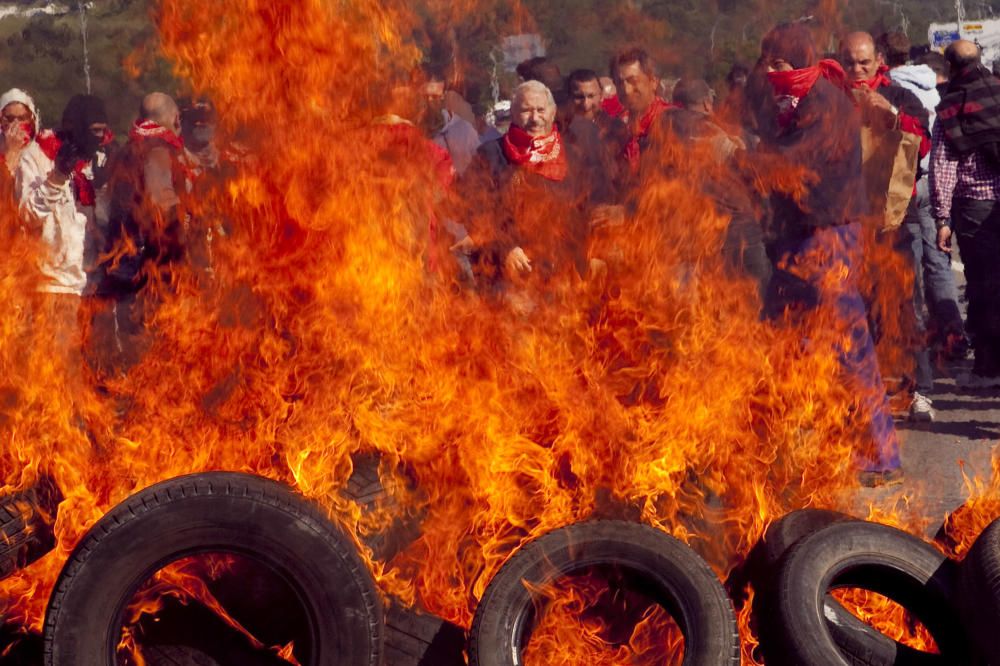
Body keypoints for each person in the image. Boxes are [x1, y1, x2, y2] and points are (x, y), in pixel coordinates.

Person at [753, 23, 902, 486]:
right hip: (797, 234)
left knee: (847, 344)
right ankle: (813, 445)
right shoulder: (791, 103)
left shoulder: (826, 103)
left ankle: (881, 455)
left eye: (780, 63)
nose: (772, 72)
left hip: (829, 235)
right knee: (792, 341)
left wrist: (740, 160)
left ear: (800, 61)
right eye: (768, 63)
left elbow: (795, 162)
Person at [840, 31, 938, 422]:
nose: (857, 70)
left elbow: (925, 145)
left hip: (898, 218)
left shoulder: (900, 95)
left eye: (864, 62)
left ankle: (922, 392)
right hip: (852, 221)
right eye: (850, 62)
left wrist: (893, 116)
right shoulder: (834, 102)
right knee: (860, 309)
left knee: (906, 306)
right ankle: (868, 389)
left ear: (880, 60)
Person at [14, 95, 112, 396]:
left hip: (82, 289)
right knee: (51, 385)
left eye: (103, 131)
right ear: (77, 126)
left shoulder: (87, 163)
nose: (100, 138)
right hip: (49, 289)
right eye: (95, 131)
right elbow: (28, 216)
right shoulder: (35, 157)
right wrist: (57, 175)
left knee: (81, 384)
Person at [466, 80, 591, 304]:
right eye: (526, 110)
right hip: (509, 281)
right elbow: (474, 212)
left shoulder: (571, 156)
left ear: (552, 113)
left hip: (561, 279)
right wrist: (505, 250)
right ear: (513, 114)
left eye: (541, 110)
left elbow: (584, 212)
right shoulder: (491, 154)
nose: (534, 118)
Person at [932, 40, 1000, 388]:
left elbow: (943, 168)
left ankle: (988, 369)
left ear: (950, 67)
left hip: (975, 208)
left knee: (984, 287)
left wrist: (942, 220)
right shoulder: (997, 94)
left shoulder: (950, 108)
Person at [665, 79, 769, 297]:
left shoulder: (664, 134)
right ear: (706, 104)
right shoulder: (735, 133)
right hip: (742, 236)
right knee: (756, 314)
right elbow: (761, 181)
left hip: (699, 240)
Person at [609, 47, 674, 170]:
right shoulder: (616, 127)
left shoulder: (672, 121)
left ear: (653, 82)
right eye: (619, 83)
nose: (626, 90)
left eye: (633, 81)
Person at [420, 72, 481, 176]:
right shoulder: (414, 134)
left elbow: (481, 166)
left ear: (443, 96)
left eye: (435, 97)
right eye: (425, 97)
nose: (429, 102)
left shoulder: (465, 130)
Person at [2, 89, 39, 176]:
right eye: (10, 119)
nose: (16, 124)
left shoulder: (42, 153)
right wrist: (11, 152)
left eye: (22, 118)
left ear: (31, 121)